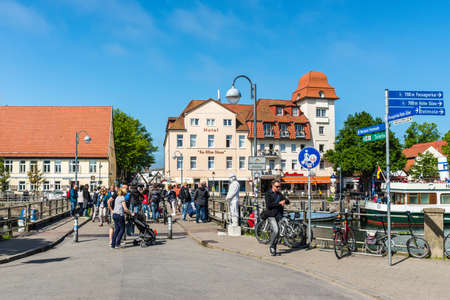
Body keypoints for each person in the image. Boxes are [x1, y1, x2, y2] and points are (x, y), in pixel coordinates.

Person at [263, 179, 290, 256]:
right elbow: (269, 205)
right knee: (276, 230)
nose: (278, 188)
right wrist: (279, 203)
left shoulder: (279, 194)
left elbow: (287, 201)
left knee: (278, 233)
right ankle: (271, 246)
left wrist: (285, 201)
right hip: (271, 215)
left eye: (279, 186)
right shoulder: (268, 194)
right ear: (273, 186)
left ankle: (274, 246)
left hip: (279, 215)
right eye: (277, 186)